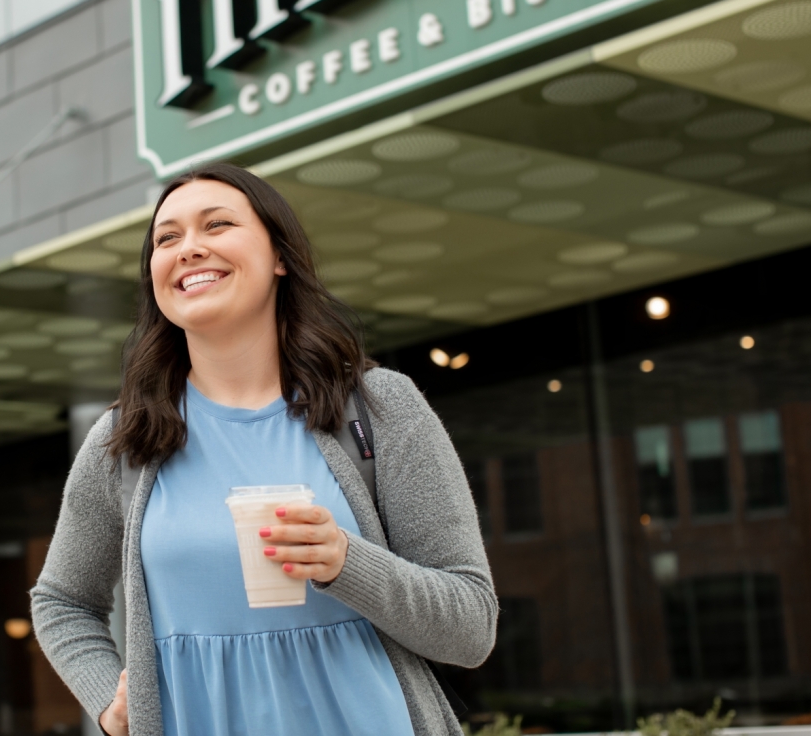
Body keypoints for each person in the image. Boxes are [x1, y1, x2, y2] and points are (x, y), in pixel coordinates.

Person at [30, 163, 496, 736]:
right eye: (167, 238)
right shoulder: (124, 440)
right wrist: (110, 701)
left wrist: (346, 562)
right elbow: (61, 601)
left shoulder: (379, 408)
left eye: (217, 225)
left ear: (280, 257)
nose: (189, 248)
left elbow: (472, 628)